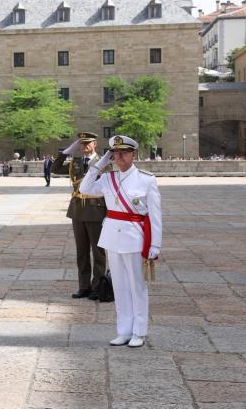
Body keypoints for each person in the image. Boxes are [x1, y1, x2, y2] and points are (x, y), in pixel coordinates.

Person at [80, 135, 162, 348]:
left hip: (135, 238)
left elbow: (155, 215)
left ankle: (139, 331)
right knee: (120, 287)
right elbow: (84, 189)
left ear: (133, 154)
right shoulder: (108, 178)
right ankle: (123, 330)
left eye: (124, 153)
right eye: (115, 153)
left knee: (137, 286)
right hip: (113, 238)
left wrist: (155, 245)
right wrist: (100, 164)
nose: (120, 157)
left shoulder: (146, 179)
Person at [51, 132, 107, 300]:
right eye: (81, 144)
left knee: (98, 252)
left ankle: (98, 286)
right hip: (77, 211)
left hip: (96, 210)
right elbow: (53, 169)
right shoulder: (75, 163)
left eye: (87, 143)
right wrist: (66, 152)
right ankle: (84, 286)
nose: (84, 147)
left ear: (95, 144)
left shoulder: (104, 162)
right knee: (81, 252)